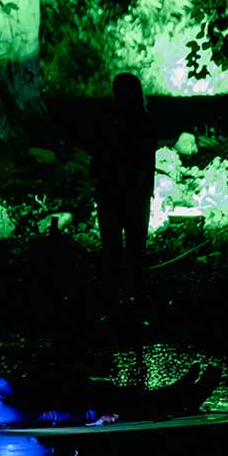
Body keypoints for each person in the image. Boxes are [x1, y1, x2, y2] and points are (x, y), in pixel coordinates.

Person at [0, 363, 220, 431]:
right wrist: (91, 418)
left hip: (61, 386)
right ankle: (188, 397)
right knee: (135, 404)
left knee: (131, 394)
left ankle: (181, 390)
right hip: (72, 403)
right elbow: (46, 418)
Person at [91, 72, 155, 296]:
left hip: (117, 192)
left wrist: (99, 185)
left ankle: (118, 292)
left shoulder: (109, 120)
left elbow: (98, 157)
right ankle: (131, 292)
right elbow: (147, 160)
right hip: (131, 192)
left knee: (116, 248)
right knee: (133, 248)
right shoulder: (142, 120)